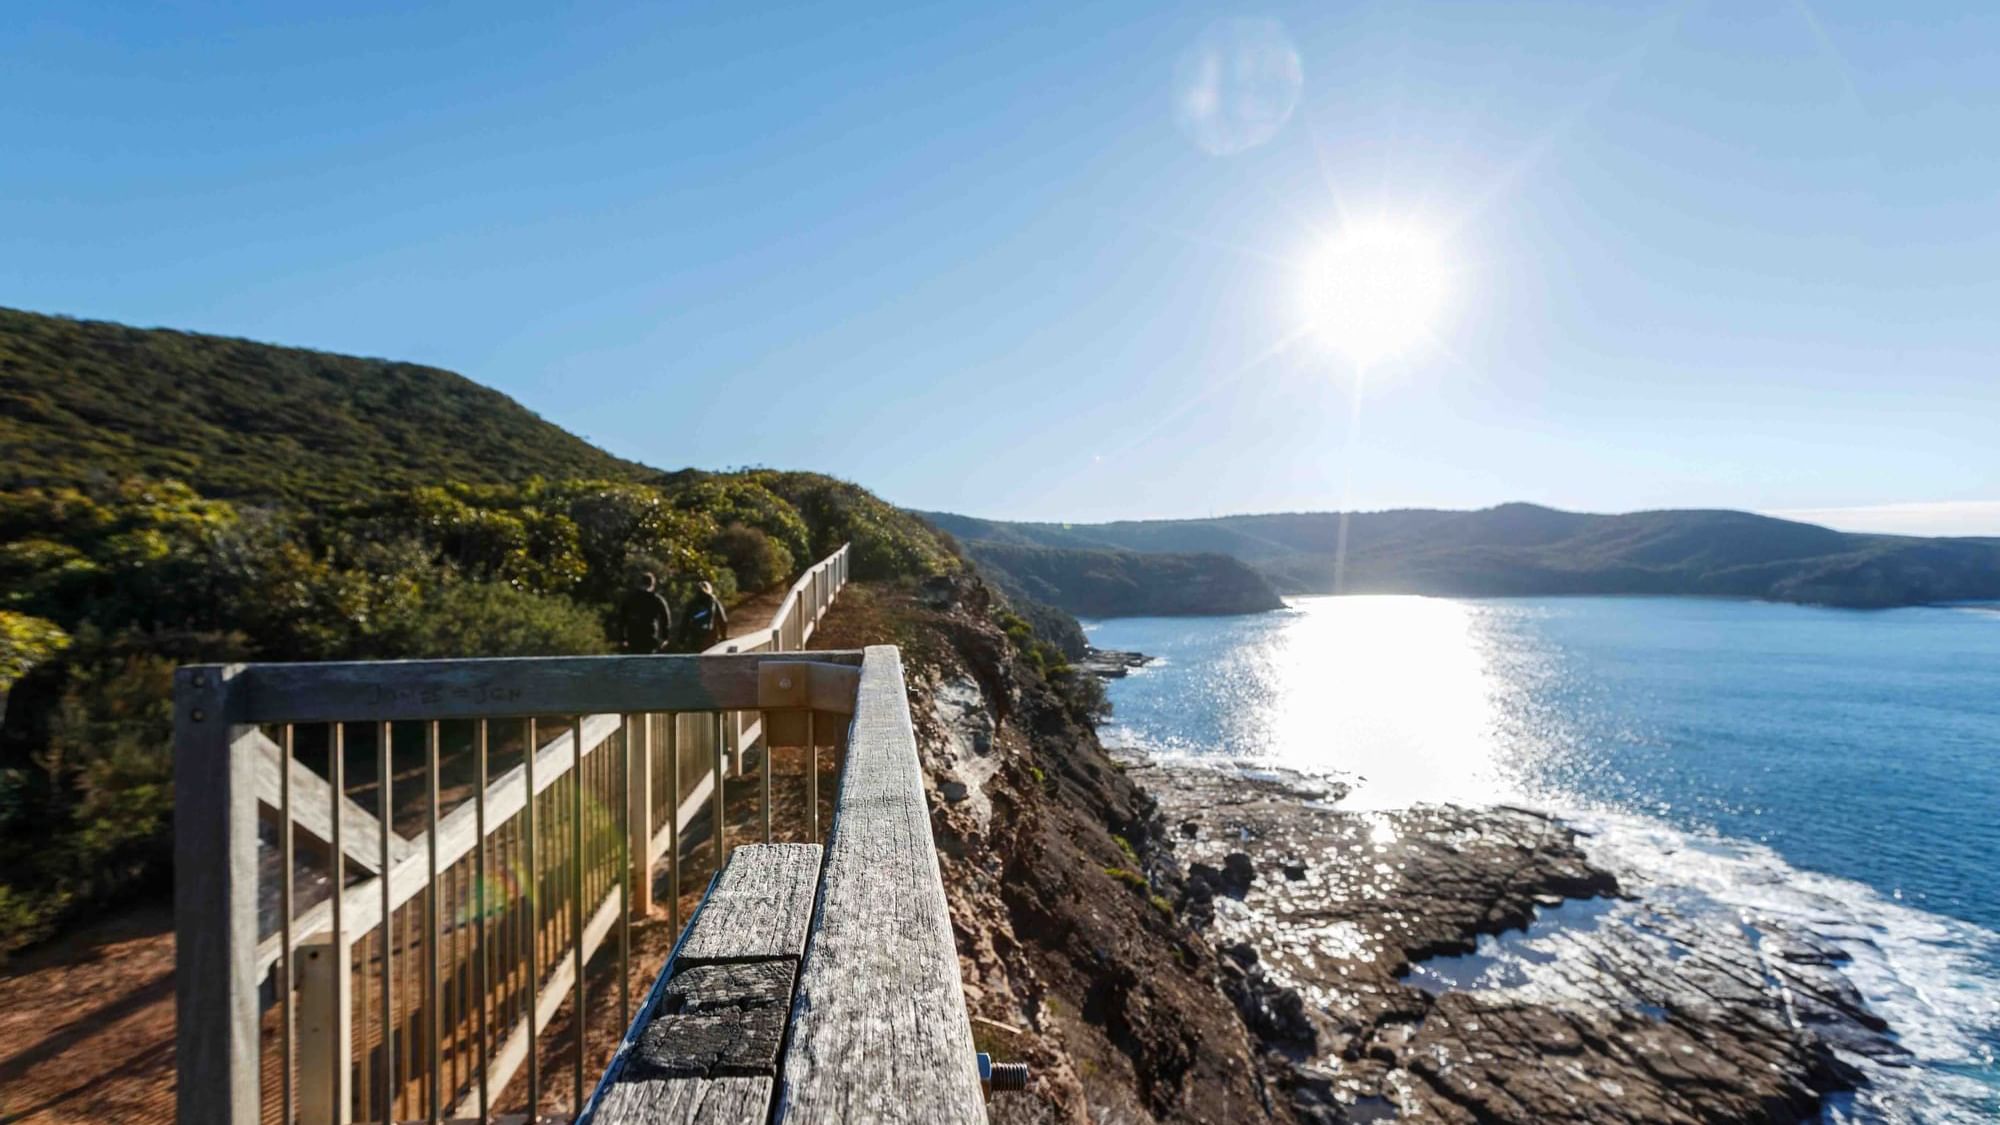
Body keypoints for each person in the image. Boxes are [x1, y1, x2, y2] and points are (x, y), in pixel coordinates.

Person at [617, 572, 674, 654]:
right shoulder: (656, 599)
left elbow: (622, 619)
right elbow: (665, 618)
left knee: (635, 661)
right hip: (650, 636)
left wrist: (622, 638)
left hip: (633, 636)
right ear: (652, 584)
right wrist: (665, 637)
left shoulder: (630, 599)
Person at [679, 579, 729, 652]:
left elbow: (685, 622)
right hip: (710, 638)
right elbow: (723, 620)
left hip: (695, 639)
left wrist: (681, 640)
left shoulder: (692, 604)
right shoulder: (714, 602)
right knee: (710, 660)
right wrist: (723, 637)